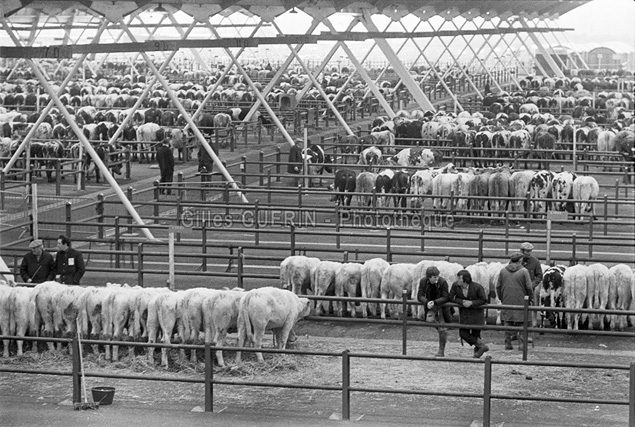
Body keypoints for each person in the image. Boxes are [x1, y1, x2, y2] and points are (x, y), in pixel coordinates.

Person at [496, 252, 533, 350]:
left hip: (507, 299)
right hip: (521, 300)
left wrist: (502, 297)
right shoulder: (524, 271)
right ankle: (521, 344)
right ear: (520, 260)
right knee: (522, 322)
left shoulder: (503, 271)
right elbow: (529, 287)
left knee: (507, 322)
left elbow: (498, 286)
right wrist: (531, 298)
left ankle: (508, 343)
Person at [449, 270, 489, 358]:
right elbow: (451, 297)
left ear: (465, 280)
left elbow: (483, 299)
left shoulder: (477, 287)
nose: (457, 280)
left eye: (459, 278)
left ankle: (477, 353)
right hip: (464, 314)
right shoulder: (456, 286)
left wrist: (472, 303)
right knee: (463, 333)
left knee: (475, 334)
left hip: (476, 315)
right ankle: (482, 345)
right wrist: (462, 301)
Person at [417, 266, 452, 357]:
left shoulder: (442, 282)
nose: (437, 278)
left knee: (442, 328)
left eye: (437, 276)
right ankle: (441, 328)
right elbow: (420, 295)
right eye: (434, 277)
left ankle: (441, 350)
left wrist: (435, 302)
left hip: (441, 306)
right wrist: (426, 302)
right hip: (431, 306)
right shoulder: (423, 282)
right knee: (430, 320)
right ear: (429, 277)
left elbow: (446, 296)